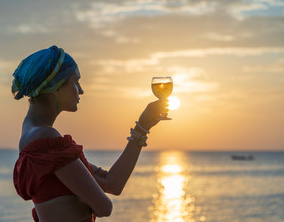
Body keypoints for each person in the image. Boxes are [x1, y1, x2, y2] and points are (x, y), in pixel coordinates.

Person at [12, 45, 169, 222]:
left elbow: (113, 183)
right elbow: (104, 207)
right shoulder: (47, 140)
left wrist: (142, 127)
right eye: (76, 82)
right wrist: (83, 198)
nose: (81, 90)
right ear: (56, 88)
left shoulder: (32, 137)